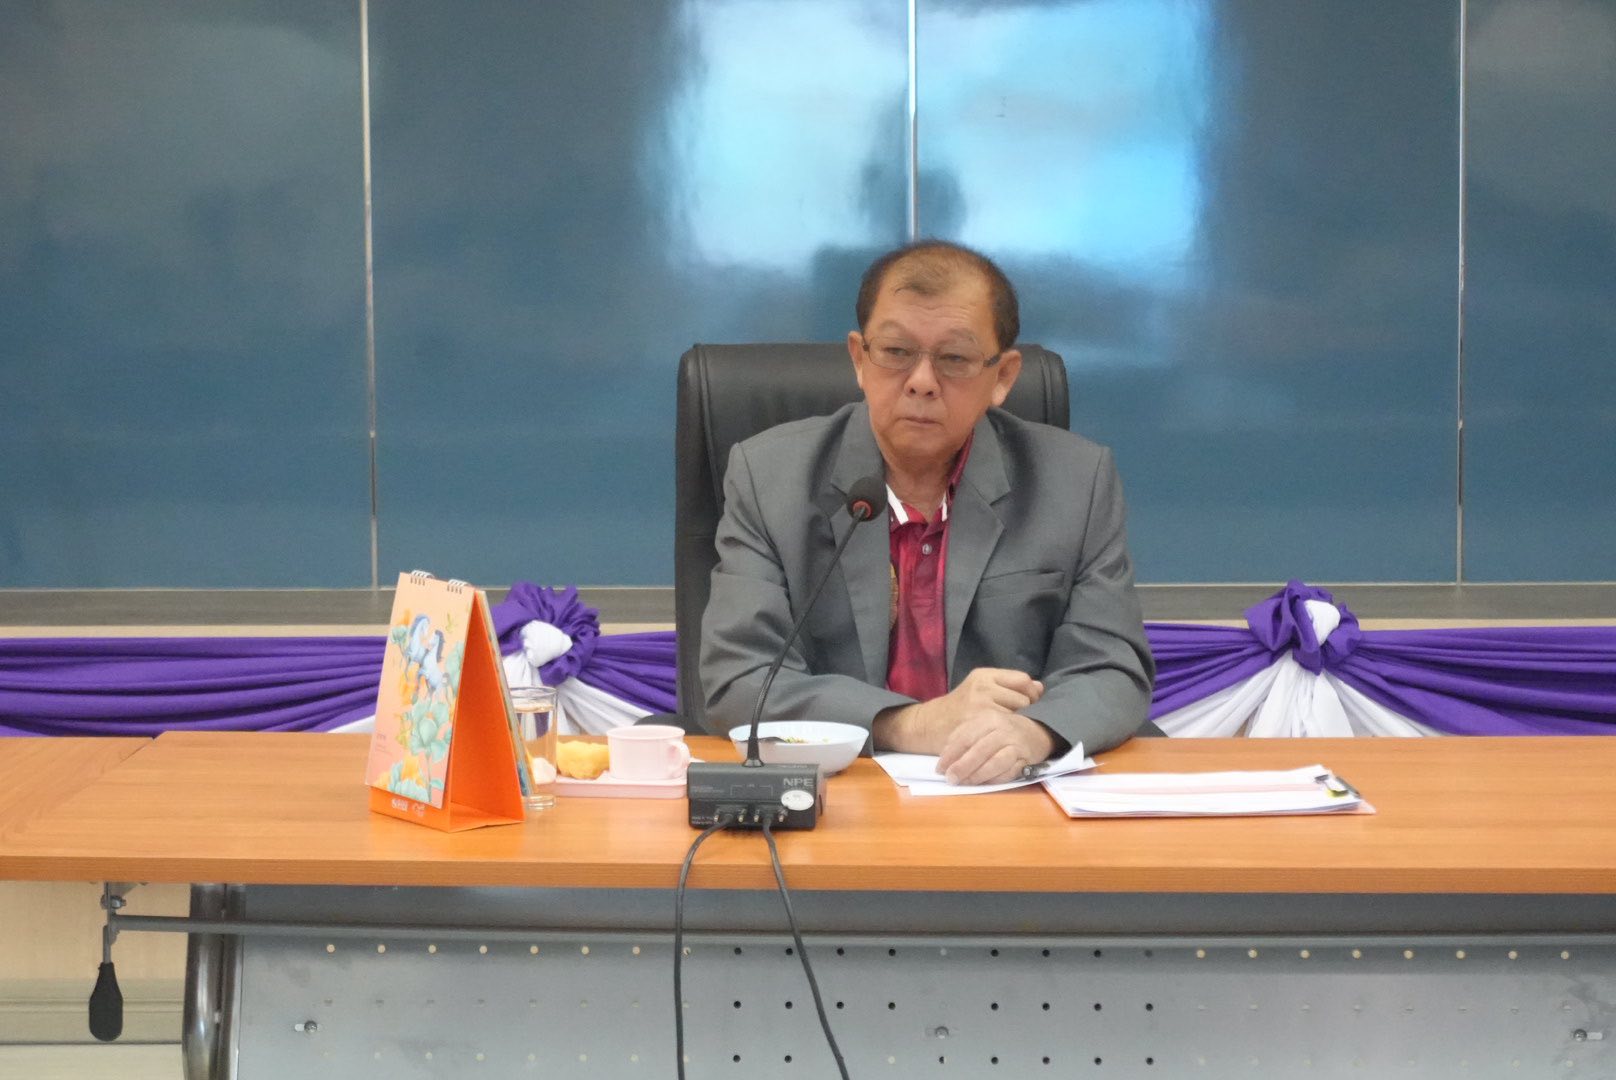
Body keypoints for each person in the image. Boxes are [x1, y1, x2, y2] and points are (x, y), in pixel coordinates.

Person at [700, 240, 1154, 784]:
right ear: (859, 359)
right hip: (839, 793)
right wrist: (912, 724)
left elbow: (1110, 667)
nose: (921, 381)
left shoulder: (1075, 482)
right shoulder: (769, 477)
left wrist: (1033, 733)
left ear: (1003, 377)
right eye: (896, 352)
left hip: (1006, 795)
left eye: (954, 358)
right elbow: (742, 679)